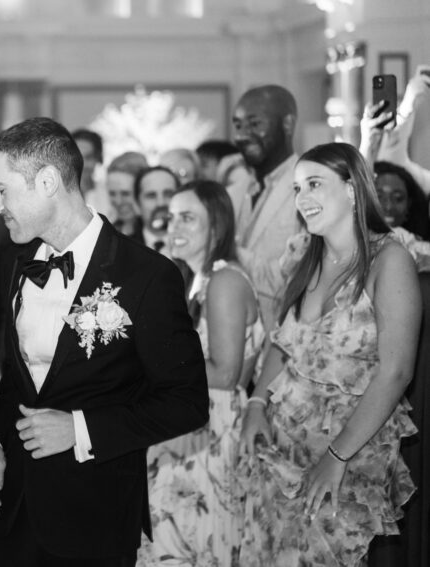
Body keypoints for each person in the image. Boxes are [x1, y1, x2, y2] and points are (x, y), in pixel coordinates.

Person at [0, 117, 209, 567]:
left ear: (47, 182)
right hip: (16, 511)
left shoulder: (146, 275)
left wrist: (80, 429)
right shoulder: (17, 263)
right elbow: (20, 380)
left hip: (96, 514)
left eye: (2, 189)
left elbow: (187, 401)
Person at [239, 142, 419, 566]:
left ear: (353, 188)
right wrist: (256, 402)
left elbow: (396, 372)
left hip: (350, 449)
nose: (302, 200)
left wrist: (337, 456)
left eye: (315, 185)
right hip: (283, 446)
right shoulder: (304, 252)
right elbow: (284, 342)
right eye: (298, 189)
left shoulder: (388, 260)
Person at [137, 181, 264, 566]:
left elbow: (225, 374)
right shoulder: (194, 281)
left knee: (200, 548)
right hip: (184, 435)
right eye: (170, 217)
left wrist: (147, 358)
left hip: (212, 433)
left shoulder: (225, 281)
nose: (173, 227)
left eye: (188, 218)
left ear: (218, 227)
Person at [232, 85, 303, 335]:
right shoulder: (236, 190)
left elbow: (293, 280)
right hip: (238, 334)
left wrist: (223, 247)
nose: (243, 135)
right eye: (238, 125)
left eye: (254, 124)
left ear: (288, 124)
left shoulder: (306, 188)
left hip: (282, 340)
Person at [373, 161, 430, 240]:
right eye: (379, 196)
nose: (388, 206)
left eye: (398, 198)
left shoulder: (419, 248)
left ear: (409, 205)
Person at [131, 166, 180, 251]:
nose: (160, 203)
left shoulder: (198, 247)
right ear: (136, 205)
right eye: (151, 196)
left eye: (168, 194)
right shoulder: (122, 250)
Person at [72, 128, 115, 221]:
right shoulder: (53, 194)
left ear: (98, 159)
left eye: (88, 157)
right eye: (77, 156)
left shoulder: (109, 194)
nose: (81, 164)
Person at [107, 152, 149, 239]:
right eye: (112, 193)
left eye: (125, 194)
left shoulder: (153, 234)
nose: (118, 201)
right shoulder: (109, 230)